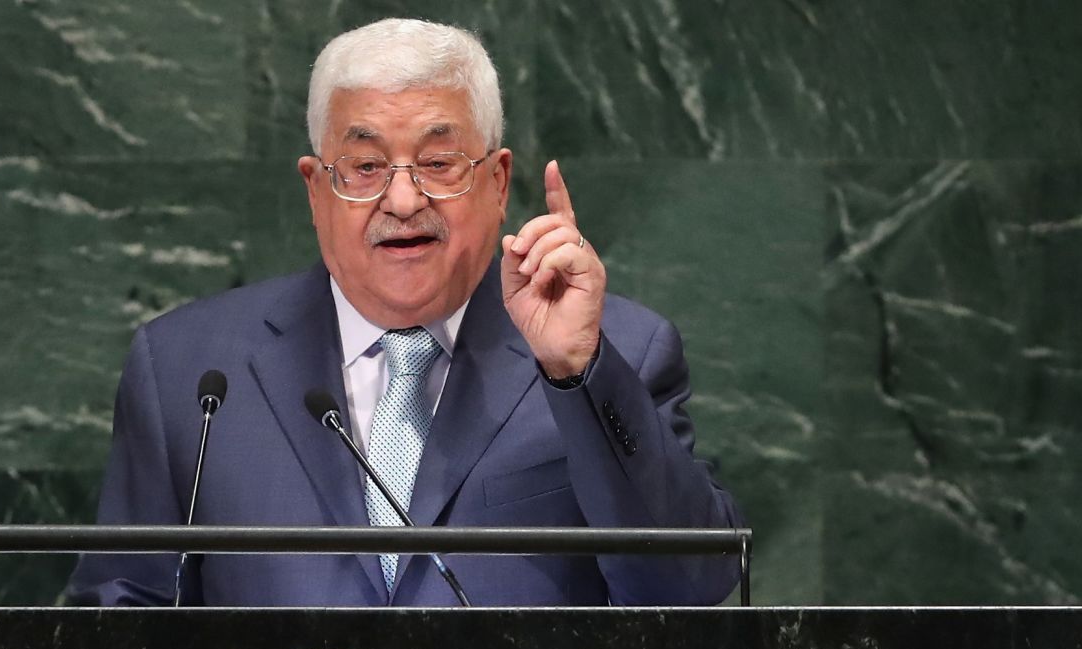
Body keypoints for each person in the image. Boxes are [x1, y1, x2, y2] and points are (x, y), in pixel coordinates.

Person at [65, 18, 742, 607]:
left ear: (498, 182)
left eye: (439, 162)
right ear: (316, 190)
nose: (402, 199)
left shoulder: (614, 350)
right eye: (363, 166)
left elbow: (684, 591)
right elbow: (120, 627)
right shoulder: (188, 372)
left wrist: (578, 371)